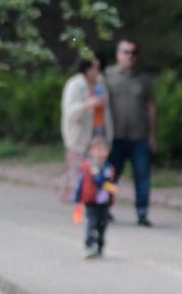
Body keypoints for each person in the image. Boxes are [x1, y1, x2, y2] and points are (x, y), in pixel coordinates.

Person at [104, 38, 156, 227]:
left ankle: (142, 212)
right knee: (111, 176)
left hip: (139, 137)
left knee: (142, 176)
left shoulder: (144, 79)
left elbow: (151, 108)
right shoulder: (109, 75)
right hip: (115, 136)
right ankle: (106, 207)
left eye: (133, 53)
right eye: (125, 52)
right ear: (118, 54)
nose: (129, 56)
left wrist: (152, 136)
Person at [60, 57, 112, 202]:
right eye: (95, 67)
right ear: (86, 69)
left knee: (97, 168)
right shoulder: (75, 85)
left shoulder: (101, 83)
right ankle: (76, 197)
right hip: (80, 135)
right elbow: (70, 112)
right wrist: (87, 104)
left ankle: (94, 198)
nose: (98, 70)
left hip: (99, 130)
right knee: (77, 169)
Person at [75, 136, 117, 259]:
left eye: (103, 150)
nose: (100, 153)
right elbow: (81, 182)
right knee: (92, 222)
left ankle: (99, 245)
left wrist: (112, 194)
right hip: (91, 201)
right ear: (91, 151)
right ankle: (89, 245)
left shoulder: (109, 168)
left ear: (108, 151)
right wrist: (78, 198)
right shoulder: (87, 166)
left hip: (104, 202)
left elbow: (107, 184)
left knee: (102, 224)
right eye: (96, 150)